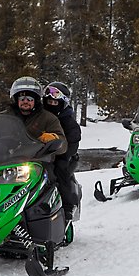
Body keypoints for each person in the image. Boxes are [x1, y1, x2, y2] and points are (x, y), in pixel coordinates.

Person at [0, 76, 67, 156]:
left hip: (37, 159)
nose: (25, 102)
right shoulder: (3, 116)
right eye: (22, 99)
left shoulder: (48, 118)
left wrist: (53, 139)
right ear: (16, 100)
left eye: (29, 99)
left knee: (54, 176)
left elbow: (63, 145)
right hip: (6, 160)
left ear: (35, 101)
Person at [42, 81, 82, 220]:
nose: (51, 105)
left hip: (62, 156)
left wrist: (58, 151)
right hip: (38, 155)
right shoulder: (40, 117)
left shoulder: (68, 122)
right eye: (49, 102)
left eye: (55, 103)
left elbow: (72, 143)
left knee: (59, 170)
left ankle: (67, 207)